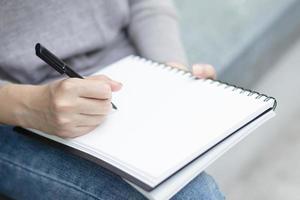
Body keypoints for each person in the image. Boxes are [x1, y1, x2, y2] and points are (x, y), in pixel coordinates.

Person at [0, 0, 224, 199]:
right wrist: (31, 105)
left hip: (132, 71)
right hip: (20, 106)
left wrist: (171, 71)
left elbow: (145, 5)